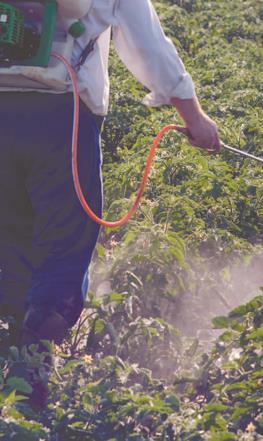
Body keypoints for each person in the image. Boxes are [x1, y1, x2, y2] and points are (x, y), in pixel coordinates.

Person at [0, 0, 219, 404]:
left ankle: (12, 360)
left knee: (11, 239)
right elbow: (148, 46)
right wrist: (194, 119)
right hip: (60, 115)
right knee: (65, 245)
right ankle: (31, 378)